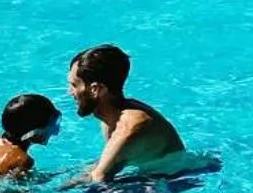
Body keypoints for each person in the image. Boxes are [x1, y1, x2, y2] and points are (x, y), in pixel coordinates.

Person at [67, 44, 186, 183]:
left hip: (176, 179)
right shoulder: (111, 116)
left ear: (95, 89)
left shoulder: (129, 126)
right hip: (151, 176)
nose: (70, 92)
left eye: (74, 85)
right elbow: (106, 167)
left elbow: (100, 178)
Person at [0, 93, 63, 192]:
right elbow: (17, 192)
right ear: (34, 133)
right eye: (53, 126)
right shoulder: (22, 160)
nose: (56, 131)